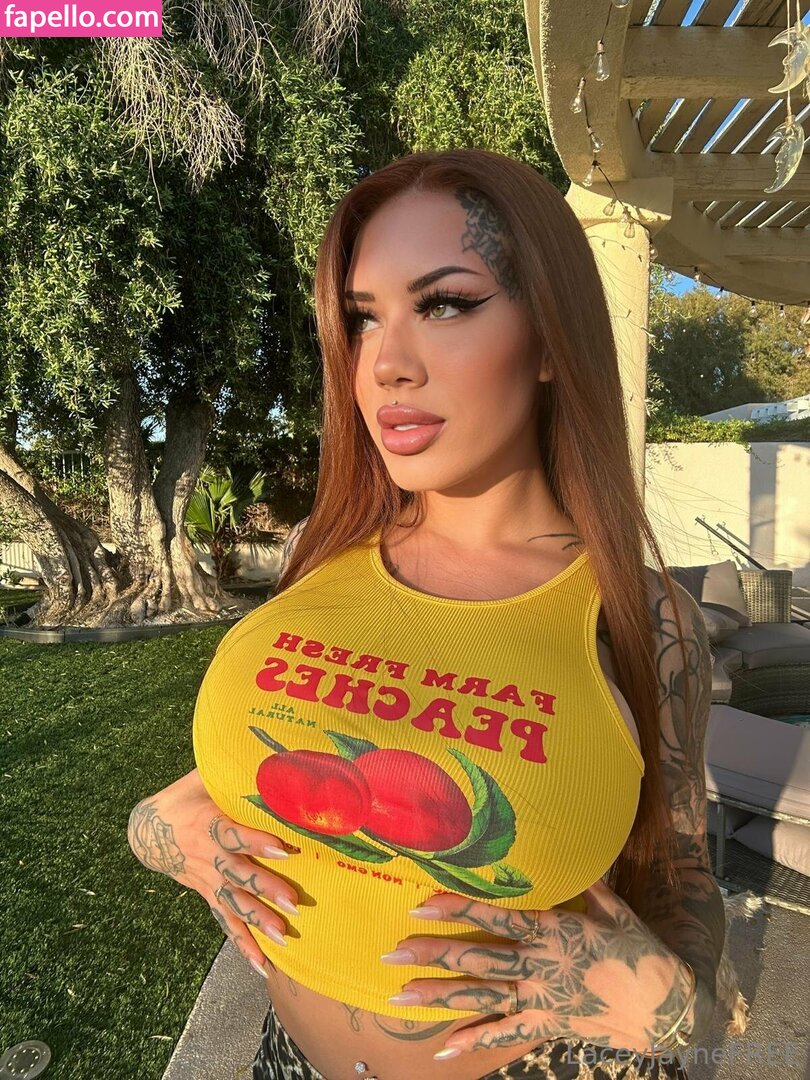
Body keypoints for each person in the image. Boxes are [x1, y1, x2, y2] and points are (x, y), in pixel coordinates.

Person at [128, 148, 723, 1080]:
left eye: (445, 304)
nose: (386, 365)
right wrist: (161, 832)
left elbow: (682, 869)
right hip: (287, 1062)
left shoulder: (643, 617)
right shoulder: (320, 555)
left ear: (552, 340)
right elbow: (295, 757)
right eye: (362, 319)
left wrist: (678, 1007)